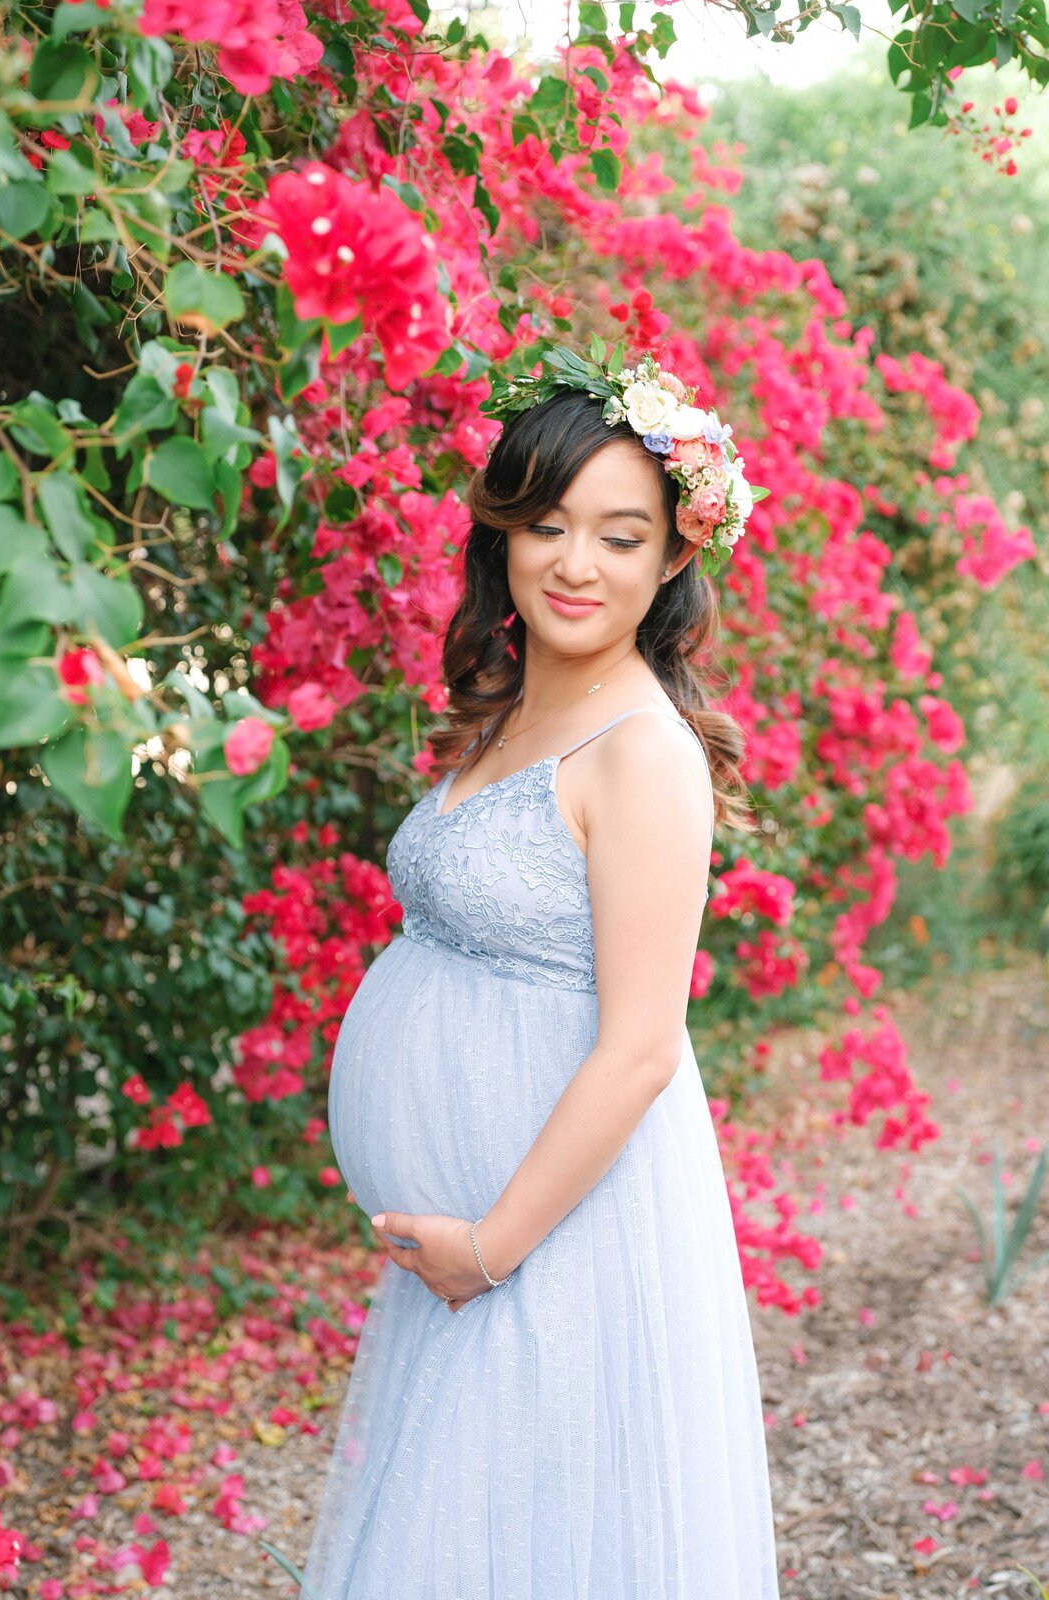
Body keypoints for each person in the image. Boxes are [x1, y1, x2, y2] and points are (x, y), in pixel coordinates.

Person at [301, 345, 781, 1598]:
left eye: (622, 536)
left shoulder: (645, 755)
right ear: (503, 536)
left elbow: (640, 1044)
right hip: (469, 1243)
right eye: (550, 525)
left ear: (676, 556)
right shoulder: (510, 708)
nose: (577, 562)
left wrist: (494, 1244)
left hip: (549, 1234)